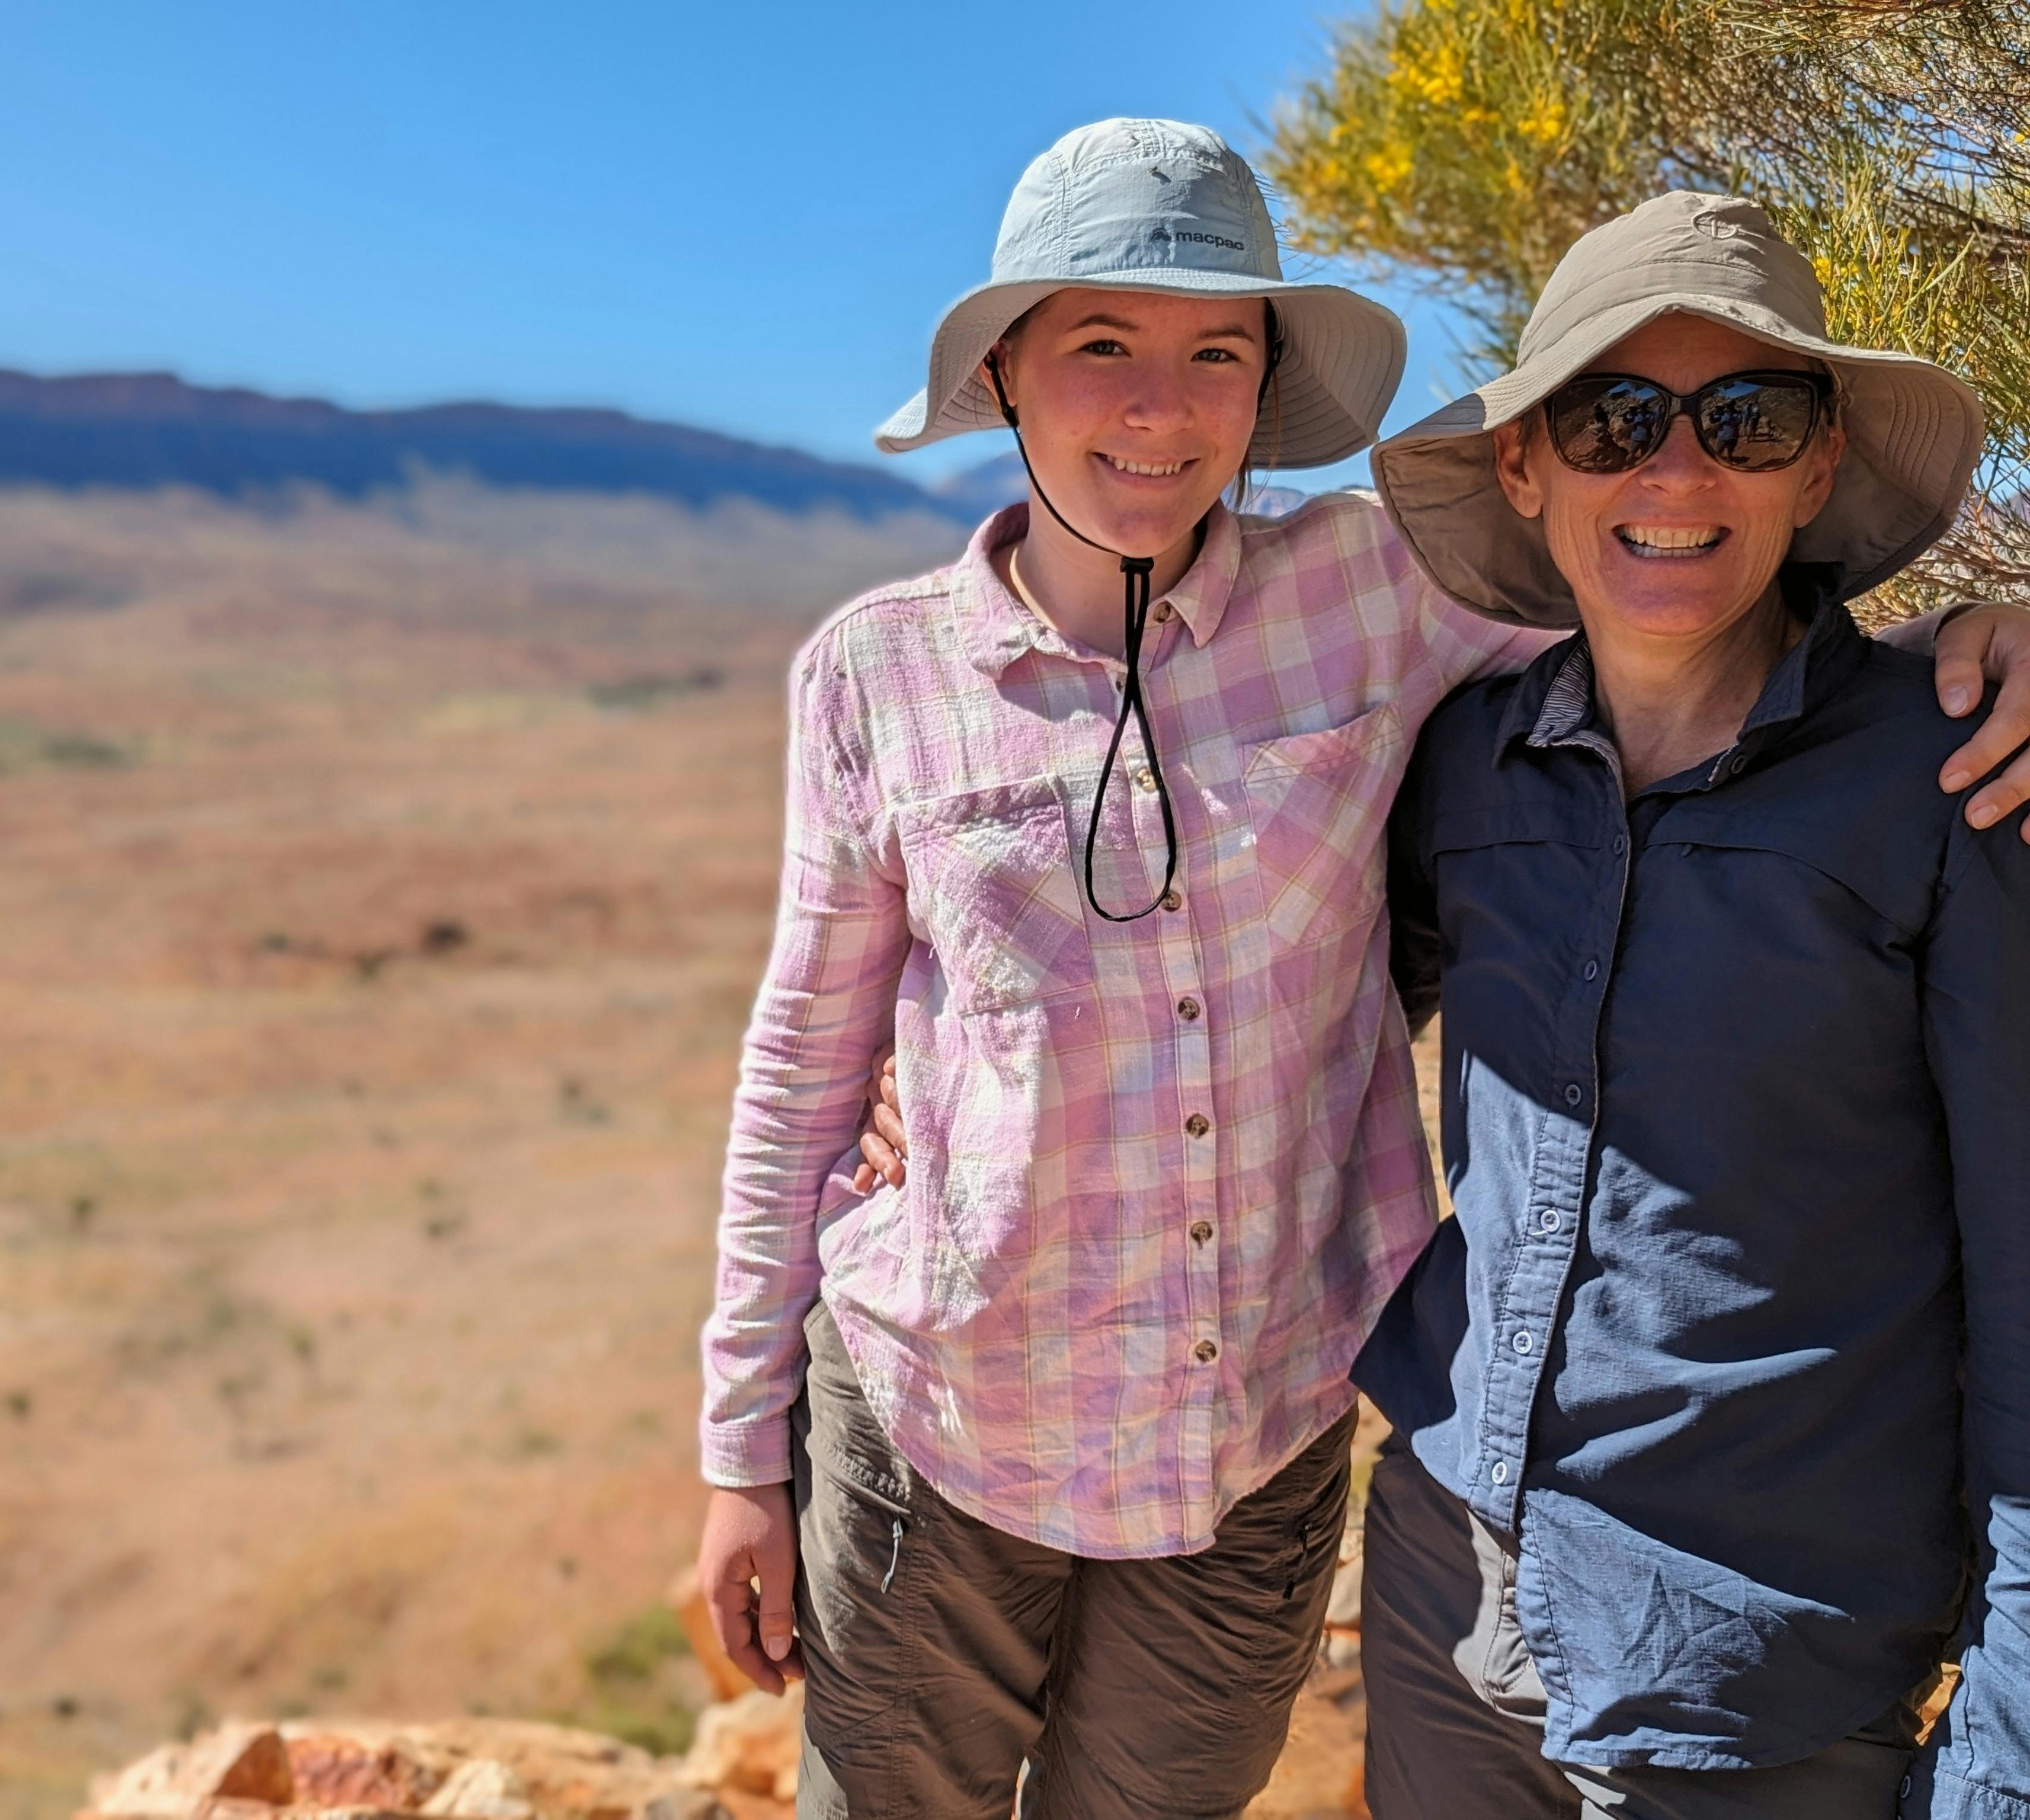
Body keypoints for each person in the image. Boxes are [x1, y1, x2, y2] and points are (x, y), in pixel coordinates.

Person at [698, 121, 2030, 1820]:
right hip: (938, 1426)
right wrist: (741, 1451)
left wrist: (1963, 650)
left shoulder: (1381, 594)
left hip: (1253, 1442)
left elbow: (1689, 599)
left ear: (1267, 393)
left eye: (1215, 354)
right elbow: (799, 1068)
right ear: (1008, 376)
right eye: (1100, 346)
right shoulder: (872, 676)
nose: (1159, 408)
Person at [1353, 192, 2030, 1820]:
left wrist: (2007, 1746)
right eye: (1610, 419)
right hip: (1447, 1579)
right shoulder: (1467, 763)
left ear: (1816, 466)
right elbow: (1277, 1006)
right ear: (1525, 466)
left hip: (1750, 1666)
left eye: (1746, 419)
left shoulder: (1949, 788)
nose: (1675, 473)